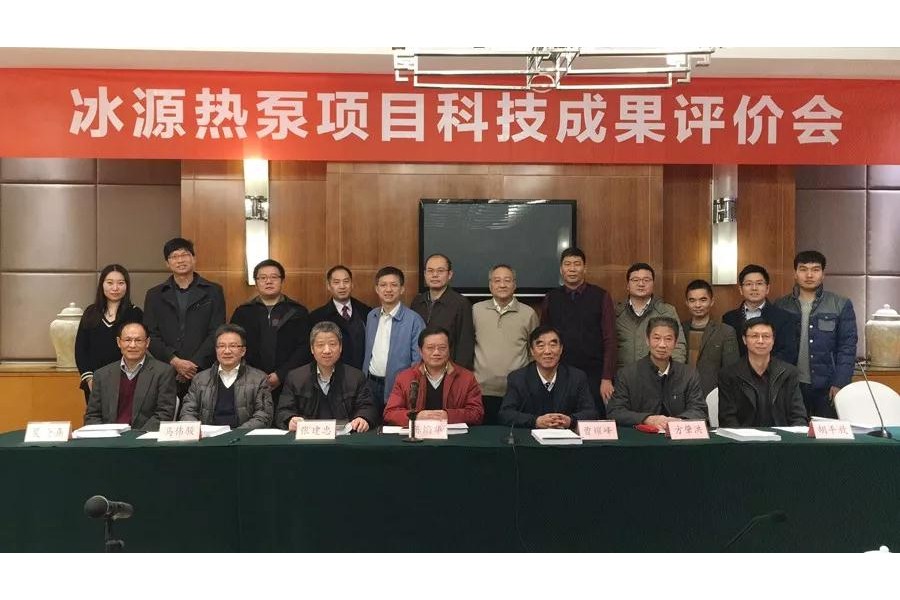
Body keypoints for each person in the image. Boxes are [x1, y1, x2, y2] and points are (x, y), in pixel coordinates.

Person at [775, 250, 858, 418]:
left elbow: (847, 347)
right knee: (794, 431)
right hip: (790, 384)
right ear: (795, 274)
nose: (809, 275)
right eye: (803, 269)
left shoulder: (840, 304)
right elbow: (775, 347)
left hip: (827, 386)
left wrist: (840, 382)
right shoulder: (781, 305)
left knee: (826, 432)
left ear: (823, 274)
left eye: (815, 269)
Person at [143, 237, 225, 400]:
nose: (180, 260)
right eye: (174, 256)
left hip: (204, 370)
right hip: (166, 370)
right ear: (167, 263)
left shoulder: (213, 291)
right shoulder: (154, 295)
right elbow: (150, 334)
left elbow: (217, 331)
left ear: (194, 258)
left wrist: (193, 364)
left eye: (185, 255)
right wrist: (175, 361)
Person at [541, 247, 617, 417]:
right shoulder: (551, 298)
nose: (572, 268)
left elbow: (610, 339)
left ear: (585, 268)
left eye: (577, 264)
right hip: (560, 372)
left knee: (591, 420)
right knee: (560, 420)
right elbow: (543, 338)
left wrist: (607, 378)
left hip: (594, 374)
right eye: (567, 264)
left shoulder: (601, 296)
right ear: (561, 269)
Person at [230, 259, 310, 407]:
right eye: (263, 278)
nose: (268, 281)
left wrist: (281, 374)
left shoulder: (298, 312)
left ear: (282, 280)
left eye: (274, 277)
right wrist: (255, 375)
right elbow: (234, 346)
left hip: (290, 381)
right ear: (256, 282)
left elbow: (304, 348)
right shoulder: (243, 312)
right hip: (250, 382)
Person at [607, 317, 707, 429]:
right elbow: (615, 412)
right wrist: (647, 419)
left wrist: (677, 421)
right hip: (641, 436)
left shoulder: (689, 374)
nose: (662, 345)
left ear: (675, 342)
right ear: (647, 340)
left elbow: (699, 410)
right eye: (656, 338)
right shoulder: (627, 374)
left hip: (677, 435)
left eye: (668, 339)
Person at [277, 321, 378, 432]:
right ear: (312, 349)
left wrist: (363, 418)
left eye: (332, 344)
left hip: (345, 437)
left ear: (340, 347)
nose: (327, 350)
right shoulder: (295, 377)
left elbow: (368, 407)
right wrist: (290, 420)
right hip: (308, 438)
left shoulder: (356, 377)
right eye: (320, 345)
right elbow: (283, 411)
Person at [472, 264, 539, 425]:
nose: (502, 285)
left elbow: (535, 352)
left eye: (507, 280)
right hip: (482, 390)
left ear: (514, 285)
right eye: (497, 280)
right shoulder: (476, 310)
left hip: (517, 391)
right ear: (490, 285)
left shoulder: (528, 313)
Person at [498, 326, 598, 429]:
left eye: (553, 345)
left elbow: (591, 412)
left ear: (561, 349)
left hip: (565, 436)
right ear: (532, 351)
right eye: (541, 346)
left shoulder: (576, 377)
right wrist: (535, 421)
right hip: (529, 436)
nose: (547, 351)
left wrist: (570, 421)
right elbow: (505, 414)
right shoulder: (518, 378)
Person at [84, 322, 176, 431]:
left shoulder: (163, 372)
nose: (132, 345)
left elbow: (164, 413)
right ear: (119, 342)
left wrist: (137, 436)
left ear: (147, 343)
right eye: (127, 340)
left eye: (138, 340)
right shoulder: (102, 375)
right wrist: (104, 435)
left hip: (144, 437)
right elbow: (92, 415)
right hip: (109, 437)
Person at [384, 326, 484, 426]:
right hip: (418, 433)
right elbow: (390, 413)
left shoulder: (467, 378)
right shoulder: (405, 377)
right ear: (420, 351)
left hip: (451, 434)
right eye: (430, 348)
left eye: (442, 348)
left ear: (449, 350)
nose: (436, 352)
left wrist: (448, 416)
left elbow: (477, 413)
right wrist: (416, 416)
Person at [717, 318, 809, 427]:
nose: (760, 341)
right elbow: (727, 418)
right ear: (744, 340)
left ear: (773, 340)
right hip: (743, 436)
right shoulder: (729, 375)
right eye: (754, 336)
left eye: (766, 336)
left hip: (781, 435)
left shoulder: (788, 373)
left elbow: (798, 415)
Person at [179, 324, 273, 429]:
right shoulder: (200, 379)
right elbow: (187, 412)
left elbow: (263, 416)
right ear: (216, 350)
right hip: (207, 437)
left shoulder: (259, 379)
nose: (227, 351)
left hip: (242, 437)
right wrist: (199, 431)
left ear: (243, 351)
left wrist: (236, 434)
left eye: (233, 346)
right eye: (221, 346)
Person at [75, 264, 143, 402]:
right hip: (95, 382)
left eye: (120, 283)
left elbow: (140, 348)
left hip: (128, 381)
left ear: (127, 286)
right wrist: (89, 378)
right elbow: (80, 349)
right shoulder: (91, 312)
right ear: (102, 284)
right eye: (110, 283)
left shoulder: (135, 313)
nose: (115, 288)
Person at [362, 266, 426, 411]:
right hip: (370, 384)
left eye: (394, 285)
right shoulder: (372, 316)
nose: (388, 289)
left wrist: (410, 387)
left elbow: (418, 361)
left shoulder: (414, 320)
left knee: (393, 423)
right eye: (383, 285)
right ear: (377, 289)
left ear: (402, 289)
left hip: (399, 387)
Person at [723, 264, 798, 365]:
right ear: (740, 289)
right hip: (738, 373)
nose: (754, 288)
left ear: (767, 288)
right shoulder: (729, 318)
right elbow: (727, 354)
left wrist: (763, 368)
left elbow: (788, 353)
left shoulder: (784, 318)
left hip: (773, 372)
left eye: (759, 283)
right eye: (748, 284)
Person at [615, 262, 686, 368]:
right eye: (635, 280)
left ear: (653, 284)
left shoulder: (667, 311)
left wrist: (672, 373)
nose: (641, 284)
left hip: (657, 374)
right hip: (623, 374)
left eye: (646, 280)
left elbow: (678, 346)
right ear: (628, 285)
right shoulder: (616, 313)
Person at [411, 253, 475, 369]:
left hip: (448, 371)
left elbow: (465, 346)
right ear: (425, 274)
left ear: (449, 274)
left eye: (440, 271)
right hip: (420, 370)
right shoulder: (417, 302)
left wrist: (457, 375)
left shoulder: (461, 304)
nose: (435, 275)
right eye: (430, 271)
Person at [682, 279, 739, 397]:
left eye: (703, 300)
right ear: (686, 302)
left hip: (713, 396)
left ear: (712, 301)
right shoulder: (679, 329)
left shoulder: (725, 331)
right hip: (682, 394)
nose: (697, 305)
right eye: (692, 300)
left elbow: (731, 371)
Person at [308, 265, 371, 371]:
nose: (342, 286)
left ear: (352, 284)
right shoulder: (316, 317)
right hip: (332, 375)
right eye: (336, 282)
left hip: (362, 374)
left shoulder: (366, 312)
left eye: (346, 281)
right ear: (329, 286)